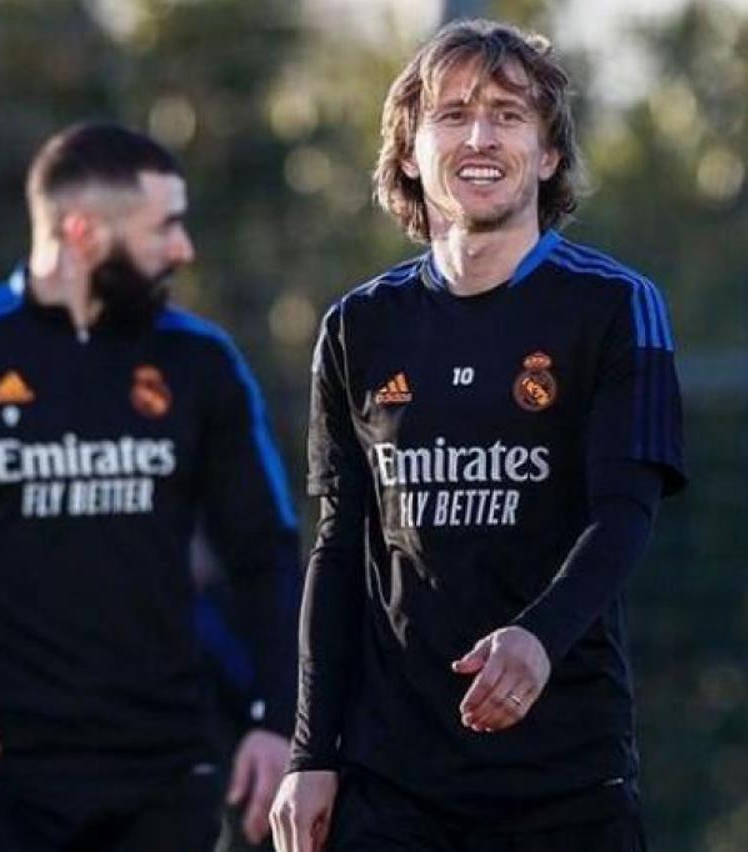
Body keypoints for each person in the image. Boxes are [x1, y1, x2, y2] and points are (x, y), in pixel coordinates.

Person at [270, 18, 687, 852]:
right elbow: (339, 549)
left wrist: (538, 638)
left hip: (564, 780)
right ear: (409, 153)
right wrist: (311, 752)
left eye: (508, 114)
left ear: (549, 153)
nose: (481, 137)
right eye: (453, 115)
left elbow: (623, 513)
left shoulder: (614, 306)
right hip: (392, 782)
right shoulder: (358, 327)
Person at [0, 122, 297, 852]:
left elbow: (267, 551)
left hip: (162, 770)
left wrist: (277, 719)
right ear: (82, 231)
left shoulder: (200, 361)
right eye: (164, 227)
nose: (184, 249)